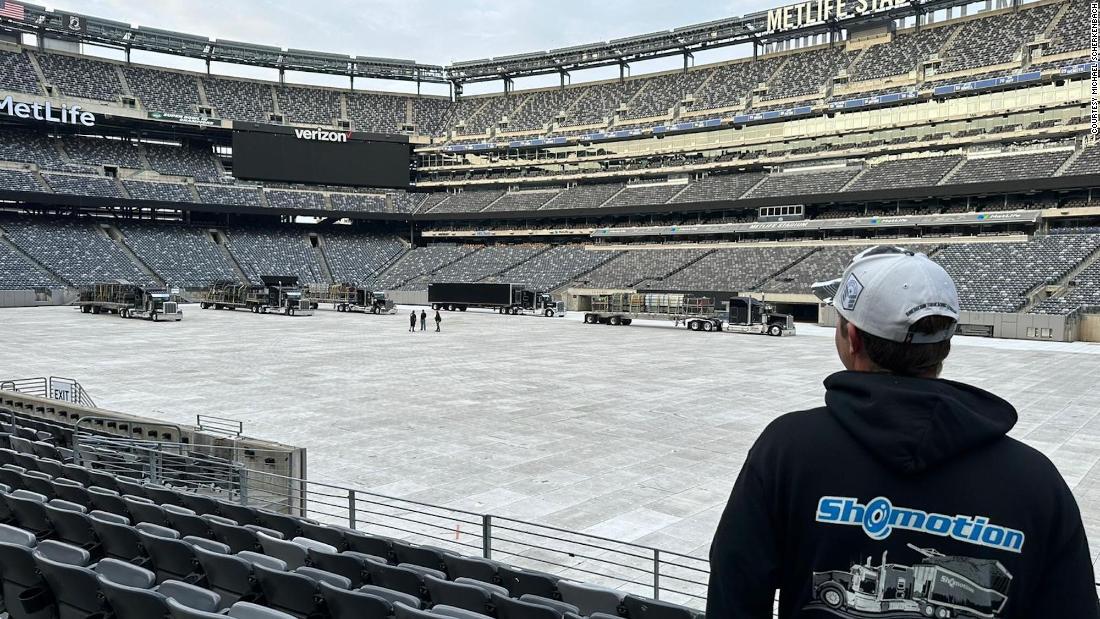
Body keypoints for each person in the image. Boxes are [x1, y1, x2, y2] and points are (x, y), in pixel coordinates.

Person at [706, 246, 1098, 619]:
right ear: (946, 342)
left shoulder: (786, 449)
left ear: (851, 338)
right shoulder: (1036, 481)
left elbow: (735, 591)